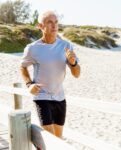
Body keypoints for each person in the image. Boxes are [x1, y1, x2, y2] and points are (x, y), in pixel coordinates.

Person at [20, 10, 81, 139]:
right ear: (40, 26)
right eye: (49, 22)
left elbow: (77, 74)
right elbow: (23, 67)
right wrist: (29, 84)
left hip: (60, 98)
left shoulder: (66, 46)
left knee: (58, 140)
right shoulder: (32, 48)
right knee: (49, 139)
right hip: (42, 97)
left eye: (56, 22)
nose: (54, 26)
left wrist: (73, 63)